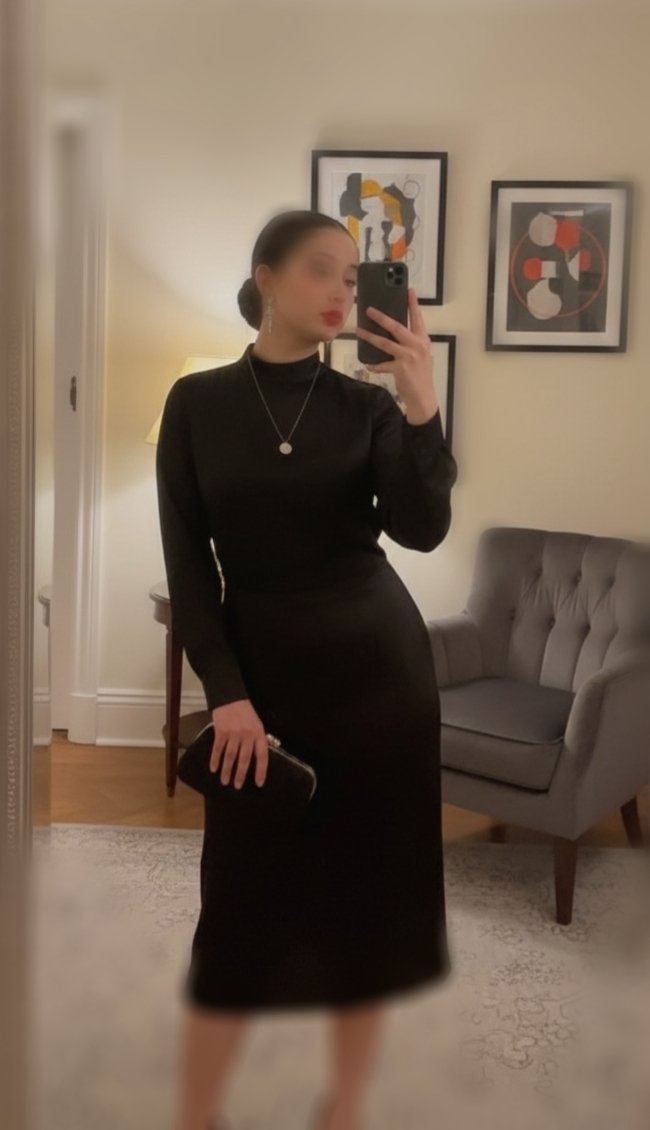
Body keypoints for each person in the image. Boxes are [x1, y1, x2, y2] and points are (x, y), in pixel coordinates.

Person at [155, 208, 459, 1130]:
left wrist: (421, 404)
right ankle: (199, 1108)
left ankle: (346, 1108)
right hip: (262, 682)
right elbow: (189, 569)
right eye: (321, 270)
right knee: (239, 907)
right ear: (266, 278)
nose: (341, 291)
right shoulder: (196, 402)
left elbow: (421, 529)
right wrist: (228, 696)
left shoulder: (369, 407)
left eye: (352, 277)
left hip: (380, 680)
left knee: (373, 910)